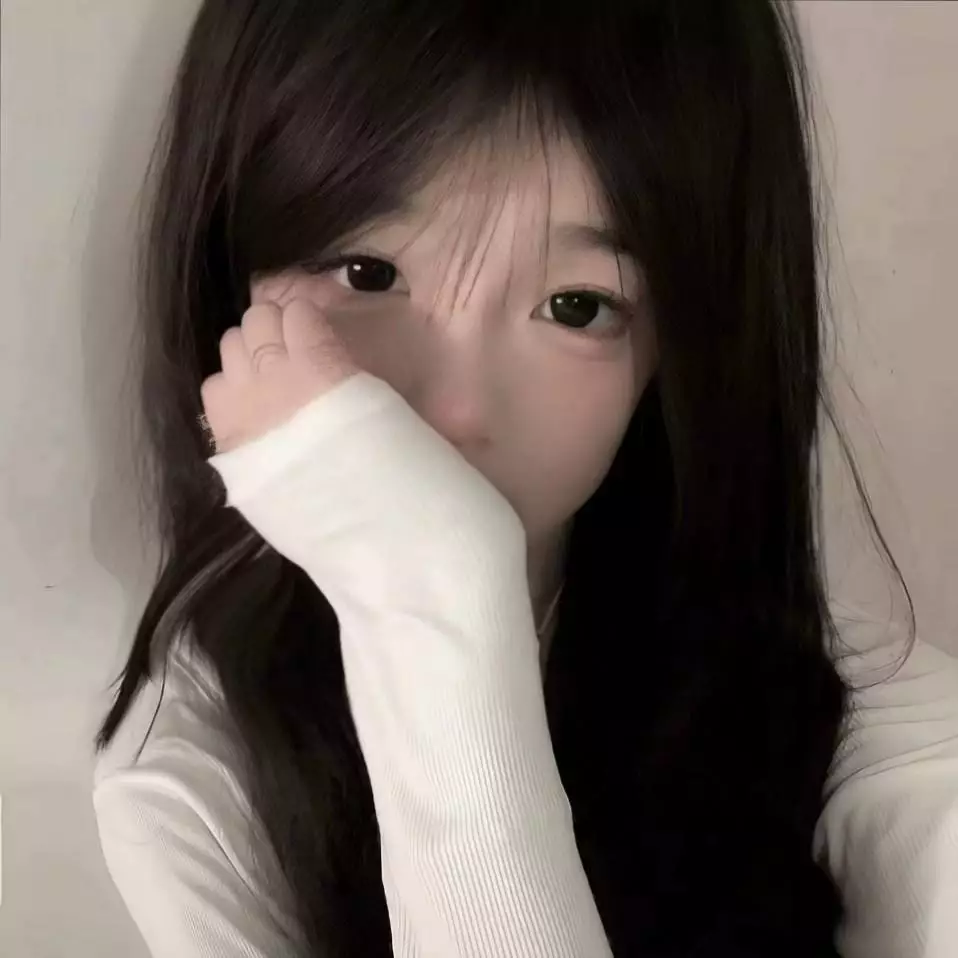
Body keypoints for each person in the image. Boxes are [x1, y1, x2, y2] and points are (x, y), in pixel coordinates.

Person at [90, 1, 926, 956]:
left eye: (576, 305)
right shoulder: (196, 777)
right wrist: (432, 595)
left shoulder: (873, 729)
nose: (454, 412)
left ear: (681, 354)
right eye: (366, 273)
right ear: (229, 280)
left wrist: (426, 594)